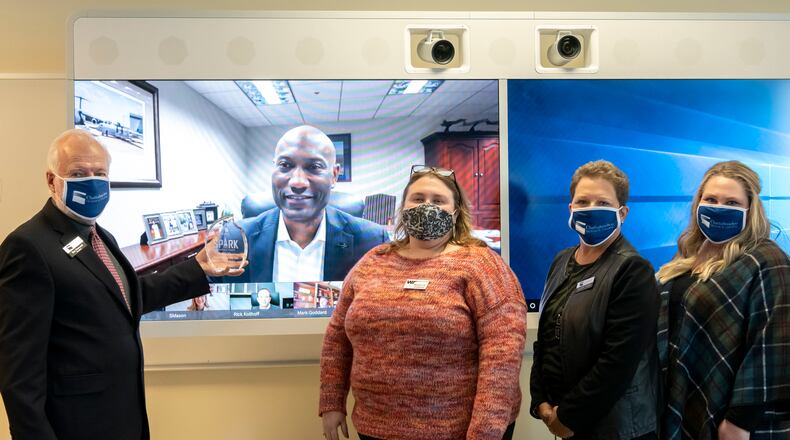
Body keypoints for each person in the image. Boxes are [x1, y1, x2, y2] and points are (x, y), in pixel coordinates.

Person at [0, 129, 245, 440]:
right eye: (78, 173)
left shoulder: (100, 237)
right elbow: (19, 378)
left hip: (121, 417)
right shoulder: (29, 246)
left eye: (100, 173)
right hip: (75, 427)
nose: (92, 181)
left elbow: (128, 297)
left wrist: (198, 267)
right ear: (52, 181)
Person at [320, 165, 526, 440]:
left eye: (438, 200)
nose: (426, 206)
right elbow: (337, 337)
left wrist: (485, 431)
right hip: (374, 427)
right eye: (418, 198)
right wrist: (332, 401)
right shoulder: (372, 262)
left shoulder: (482, 265)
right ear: (403, 207)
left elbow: (502, 354)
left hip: (458, 431)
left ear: (455, 213)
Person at [656, 161, 790, 439]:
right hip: (675, 397)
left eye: (731, 201)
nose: (719, 207)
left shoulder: (766, 259)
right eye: (711, 199)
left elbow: (773, 342)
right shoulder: (689, 255)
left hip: (733, 417)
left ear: (750, 210)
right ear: (698, 203)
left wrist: (740, 421)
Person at [530, 160, 659, 440]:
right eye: (583, 201)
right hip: (566, 418)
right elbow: (546, 336)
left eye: (602, 202)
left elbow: (618, 362)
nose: (590, 209)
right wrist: (540, 399)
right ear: (571, 209)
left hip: (616, 428)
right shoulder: (561, 260)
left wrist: (568, 416)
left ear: (622, 213)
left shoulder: (633, 270)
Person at [226, 125, 388, 283]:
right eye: (285, 165)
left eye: (314, 167)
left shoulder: (372, 241)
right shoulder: (235, 238)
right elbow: (207, 301)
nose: (297, 182)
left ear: (334, 175)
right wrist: (199, 273)